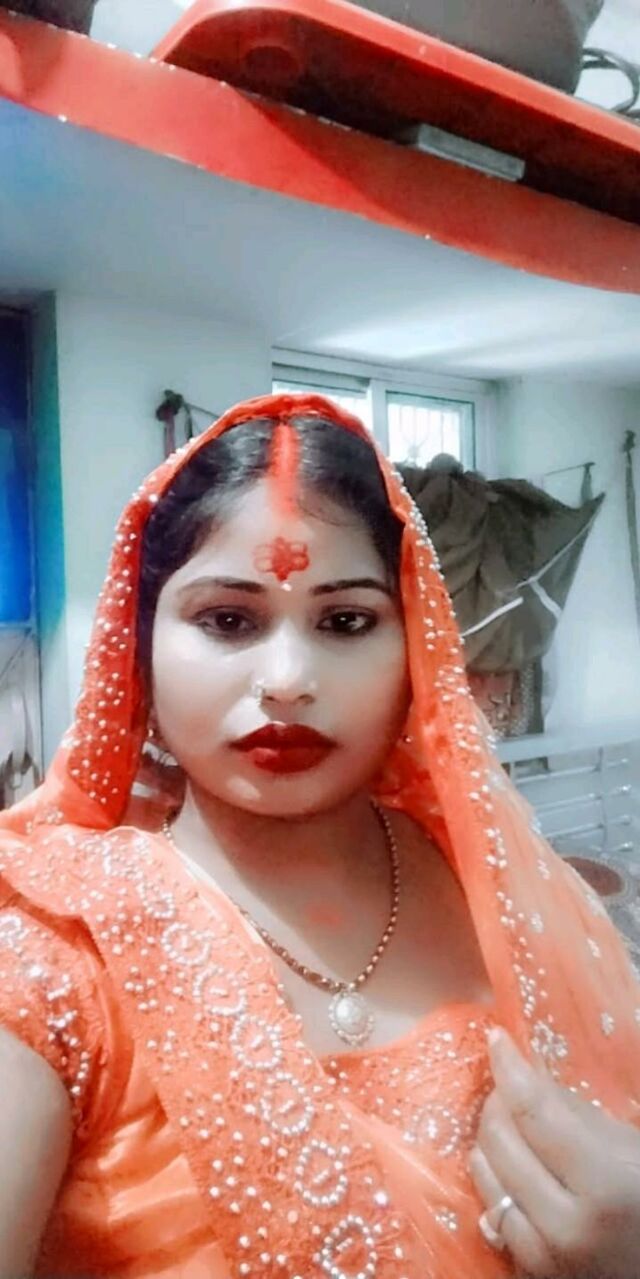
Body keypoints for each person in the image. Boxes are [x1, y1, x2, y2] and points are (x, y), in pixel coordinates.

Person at [0, 391, 639, 1279]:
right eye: (228, 619)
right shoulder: (53, 955)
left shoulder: (499, 894)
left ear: (415, 647)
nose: (288, 679)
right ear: (139, 647)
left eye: (345, 622)